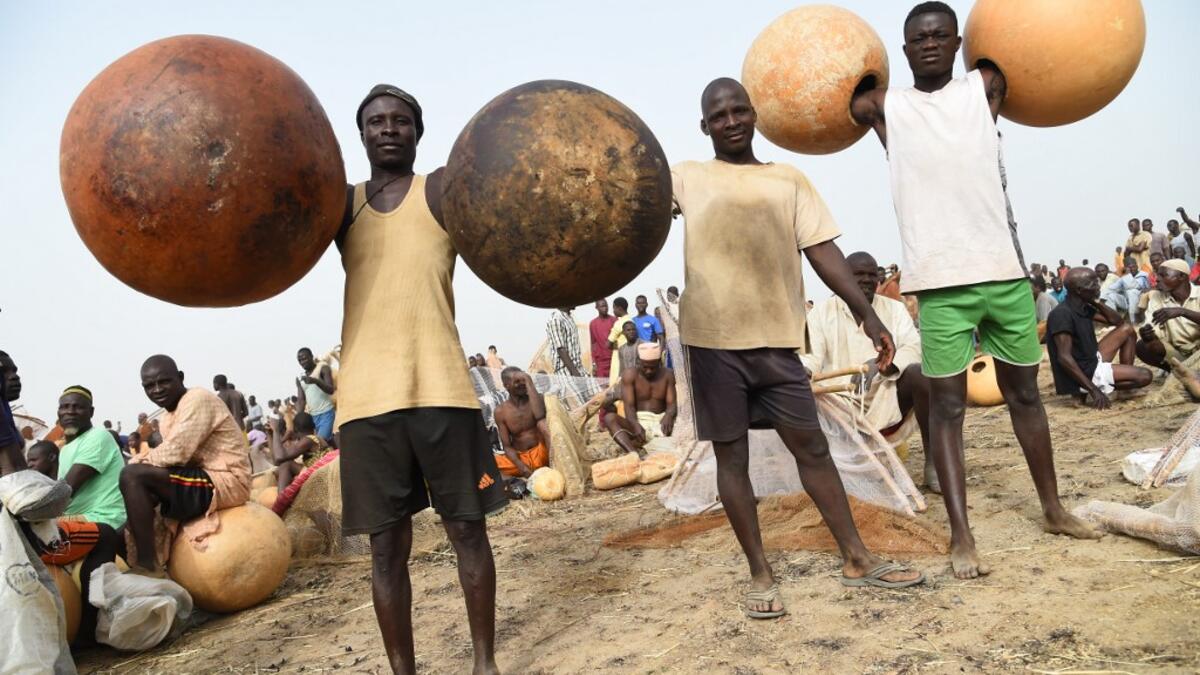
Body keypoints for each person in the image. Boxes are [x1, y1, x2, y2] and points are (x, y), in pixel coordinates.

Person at [850, 1, 1099, 579]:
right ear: (905, 49)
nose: (930, 44)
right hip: (937, 284)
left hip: (1003, 272)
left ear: (958, 42)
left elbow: (1024, 57)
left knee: (1026, 397)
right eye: (919, 38)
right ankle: (962, 535)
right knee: (948, 409)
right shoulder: (890, 106)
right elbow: (850, 100)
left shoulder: (983, 89)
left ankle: (1054, 508)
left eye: (941, 35)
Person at [674, 76, 925, 619]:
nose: (732, 121)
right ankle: (760, 575)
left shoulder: (789, 179)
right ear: (705, 127)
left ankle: (856, 557)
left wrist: (868, 315)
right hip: (712, 343)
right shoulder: (686, 178)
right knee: (732, 458)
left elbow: (823, 252)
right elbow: (635, 210)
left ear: (755, 114)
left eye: (741, 110)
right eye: (719, 116)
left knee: (811, 448)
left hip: (779, 342)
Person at [332, 84, 507, 674]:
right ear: (360, 135)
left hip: (442, 389)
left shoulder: (440, 190)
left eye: (400, 121)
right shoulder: (342, 205)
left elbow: (512, 206)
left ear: (417, 132)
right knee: (386, 549)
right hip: (366, 400)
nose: (388, 129)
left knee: (467, 531)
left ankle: (484, 663)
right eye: (376, 121)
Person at [803, 252, 936, 491]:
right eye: (858, 275)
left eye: (871, 275)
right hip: (840, 404)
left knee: (920, 375)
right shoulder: (821, 313)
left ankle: (933, 463)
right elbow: (811, 357)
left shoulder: (895, 309)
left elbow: (914, 346)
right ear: (843, 277)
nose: (865, 280)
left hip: (885, 395)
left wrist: (884, 363)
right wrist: (803, 371)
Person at [121, 355, 252, 576]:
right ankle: (153, 562)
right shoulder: (166, 418)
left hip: (227, 480)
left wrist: (136, 461)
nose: (157, 390)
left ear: (180, 378)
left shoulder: (197, 399)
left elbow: (176, 452)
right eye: (149, 386)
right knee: (128, 522)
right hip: (202, 477)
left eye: (164, 382)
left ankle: (149, 565)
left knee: (132, 476)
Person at [45, 385, 126, 645]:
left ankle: (86, 628)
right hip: (77, 519)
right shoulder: (66, 448)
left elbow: (67, 489)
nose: (69, 412)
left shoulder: (98, 437)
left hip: (103, 517)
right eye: (64, 407)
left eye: (77, 407)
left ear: (90, 411)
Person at [1047, 268, 1153, 408]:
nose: (1098, 286)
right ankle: (1083, 389)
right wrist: (1094, 390)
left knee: (1127, 330)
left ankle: (1123, 389)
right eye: (1093, 284)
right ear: (1079, 290)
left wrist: (1095, 301)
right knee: (1145, 375)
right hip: (1083, 370)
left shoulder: (1083, 306)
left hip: (1091, 359)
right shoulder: (1062, 314)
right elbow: (1064, 358)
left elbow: (1118, 322)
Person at [611, 342, 677, 457]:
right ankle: (634, 455)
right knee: (610, 418)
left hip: (660, 423)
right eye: (645, 367)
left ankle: (648, 446)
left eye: (653, 368)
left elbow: (671, 404)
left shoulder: (668, 375)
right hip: (638, 421)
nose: (648, 371)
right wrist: (635, 424)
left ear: (659, 363)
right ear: (638, 362)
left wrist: (668, 416)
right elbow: (629, 406)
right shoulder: (629, 375)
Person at [1137, 259, 1200, 369]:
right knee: (1142, 346)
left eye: (1163, 275)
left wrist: (1182, 312)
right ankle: (1176, 372)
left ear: (1182, 276)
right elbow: (1152, 326)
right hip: (1179, 355)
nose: (1157, 279)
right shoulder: (1157, 297)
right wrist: (1149, 335)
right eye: (1157, 275)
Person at [492, 368, 552, 479]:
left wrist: (528, 380)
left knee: (542, 424)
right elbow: (507, 446)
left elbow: (540, 417)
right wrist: (523, 468)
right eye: (517, 381)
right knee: (490, 464)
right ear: (506, 386)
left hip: (543, 453)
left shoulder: (538, 399)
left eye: (523, 380)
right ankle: (517, 482)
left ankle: (553, 467)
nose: (522, 384)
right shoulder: (500, 411)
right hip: (522, 458)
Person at [268, 413, 330, 492]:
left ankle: (283, 500)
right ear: (313, 426)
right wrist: (269, 434)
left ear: (295, 429)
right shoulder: (312, 439)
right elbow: (277, 461)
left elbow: (279, 457)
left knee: (286, 465)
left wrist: (276, 430)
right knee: (279, 470)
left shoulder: (308, 440)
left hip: (321, 475)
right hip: (320, 472)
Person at [297, 347, 337, 443]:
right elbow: (301, 400)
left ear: (311, 356)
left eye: (304, 358)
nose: (302, 362)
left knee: (320, 442)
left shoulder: (323, 368)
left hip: (327, 413)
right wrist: (298, 418)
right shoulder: (301, 377)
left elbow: (330, 390)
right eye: (300, 360)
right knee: (327, 443)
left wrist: (315, 381)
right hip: (313, 418)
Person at [0, 350, 27, 475]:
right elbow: (11, 468)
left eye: (14, 371)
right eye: (3, 371)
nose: (15, 376)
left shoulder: (5, 410)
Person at [546, 306, 584, 378]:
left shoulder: (569, 317)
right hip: (566, 371)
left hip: (578, 368)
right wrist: (574, 373)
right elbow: (561, 349)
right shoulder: (556, 319)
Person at [589, 299, 618, 379]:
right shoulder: (593, 324)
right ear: (597, 307)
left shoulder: (614, 320)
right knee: (602, 387)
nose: (605, 308)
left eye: (606, 306)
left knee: (615, 385)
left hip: (613, 359)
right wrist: (594, 363)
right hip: (600, 362)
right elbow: (593, 343)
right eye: (602, 306)